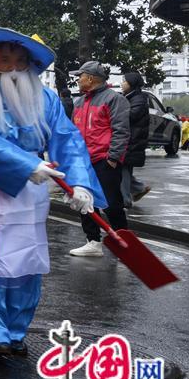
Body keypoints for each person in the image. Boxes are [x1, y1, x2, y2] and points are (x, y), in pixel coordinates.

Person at [0, 28, 104, 359]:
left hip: (31, 192)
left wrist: (80, 183)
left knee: (27, 261)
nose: (12, 66)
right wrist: (24, 165)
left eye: (20, 60)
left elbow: (66, 138)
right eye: (5, 59)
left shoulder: (46, 98)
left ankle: (16, 329)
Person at [68, 60, 130, 258]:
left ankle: (125, 244)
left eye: (80, 76)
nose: (78, 80)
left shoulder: (113, 99)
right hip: (83, 161)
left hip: (104, 160)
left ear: (91, 78)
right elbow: (72, 132)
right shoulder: (79, 102)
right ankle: (93, 241)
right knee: (85, 202)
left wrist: (113, 158)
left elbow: (121, 131)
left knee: (112, 204)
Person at [120, 71, 150, 207]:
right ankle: (139, 188)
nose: (122, 83)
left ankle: (125, 201)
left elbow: (130, 116)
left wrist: (116, 111)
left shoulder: (138, 99)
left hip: (132, 142)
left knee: (123, 170)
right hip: (128, 140)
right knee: (123, 170)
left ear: (131, 83)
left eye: (124, 81)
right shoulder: (129, 97)